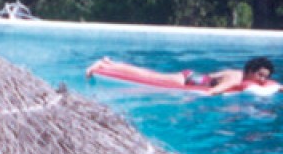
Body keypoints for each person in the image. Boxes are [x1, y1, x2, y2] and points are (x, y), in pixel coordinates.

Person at [87, 55, 275, 95]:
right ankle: (106, 65)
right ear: (250, 71)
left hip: (197, 77)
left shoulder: (242, 76)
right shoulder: (235, 78)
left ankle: (110, 63)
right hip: (189, 79)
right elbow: (214, 91)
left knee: (152, 74)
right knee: (151, 76)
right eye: (260, 75)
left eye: (265, 77)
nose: (263, 80)